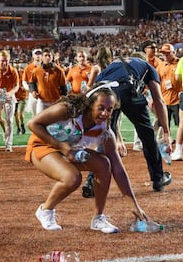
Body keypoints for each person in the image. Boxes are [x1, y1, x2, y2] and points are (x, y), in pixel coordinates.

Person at [27, 82, 148, 233]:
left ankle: (98, 218)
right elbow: (33, 123)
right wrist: (61, 146)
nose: (105, 113)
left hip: (69, 150)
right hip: (43, 145)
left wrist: (134, 205)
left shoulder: (105, 132)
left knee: (105, 164)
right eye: (101, 108)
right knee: (72, 178)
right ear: (90, 104)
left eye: (109, 110)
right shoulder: (67, 110)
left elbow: (118, 169)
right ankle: (45, 210)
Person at [83, 49, 173, 194]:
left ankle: (92, 180)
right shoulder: (148, 66)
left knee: (105, 137)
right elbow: (158, 100)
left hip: (102, 92)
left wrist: (116, 134)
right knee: (147, 135)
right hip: (127, 90)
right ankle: (158, 178)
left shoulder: (114, 64)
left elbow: (99, 87)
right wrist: (167, 132)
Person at [155, 43, 182, 139]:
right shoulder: (161, 66)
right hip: (164, 99)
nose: (165, 56)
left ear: (173, 53)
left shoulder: (181, 63)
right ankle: (167, 140)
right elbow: (156, 81)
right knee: (164, 123)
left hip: (178, 100)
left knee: (180, 123)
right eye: (163, 53)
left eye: (167, 53)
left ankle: (180, 142)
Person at [29, 48, 67, 113]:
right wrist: (33, 91)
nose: (47, 57)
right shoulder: (37, 70)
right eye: (45, 55)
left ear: (52, 57)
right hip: (42, 101)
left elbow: (63, 87)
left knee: (55, 122)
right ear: (41, 57)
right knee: (40, 121)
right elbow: (32, 82)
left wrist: (63, 100)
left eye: (49, 56)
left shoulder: (59, 71)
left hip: (55, 101)